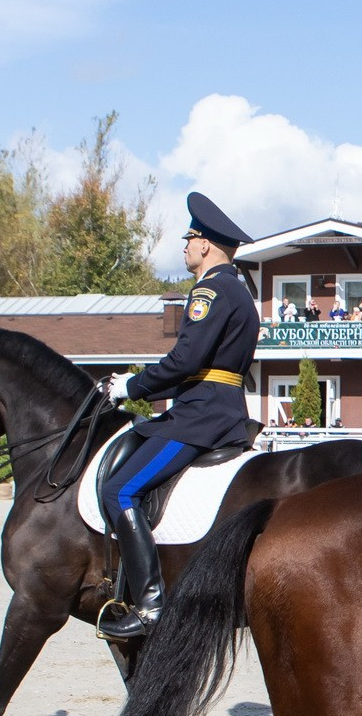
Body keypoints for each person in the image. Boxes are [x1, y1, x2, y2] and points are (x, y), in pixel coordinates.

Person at [94, 193, 260, 639]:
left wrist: (130, 386)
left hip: (200, 416)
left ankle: (150, 604)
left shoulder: (209, 290)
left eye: (189, 238)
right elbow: (201, 367)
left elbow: (186, 361)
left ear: (205, 245)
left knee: (119, 491)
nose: (184, 246)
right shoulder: (240, 292)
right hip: (221, 408)